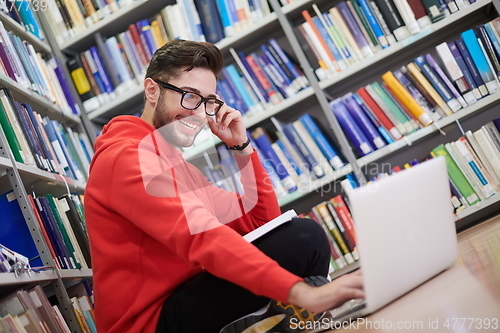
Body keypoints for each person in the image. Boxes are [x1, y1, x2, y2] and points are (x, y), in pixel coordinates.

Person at [84, 39, 364, 333]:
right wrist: (302, 292)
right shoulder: (126, 158)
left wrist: (241, 148)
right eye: (190, 97)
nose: (201, 114)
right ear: (152, 90)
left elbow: (261, 221)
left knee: (305, 238)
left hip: (184, 298)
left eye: (208, 102)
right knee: (303, 239)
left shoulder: (173, 163)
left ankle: (283, 321)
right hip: (152, 323)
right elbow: (201, 236)